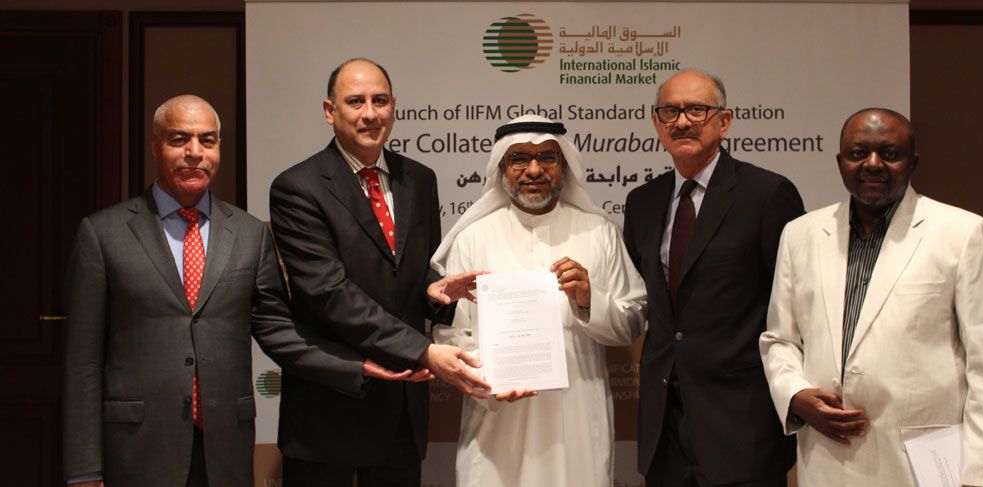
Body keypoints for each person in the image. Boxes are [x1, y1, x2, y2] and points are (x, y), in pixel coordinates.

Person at [63, 95, 375, 487]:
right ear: (156, 146)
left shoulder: (249, 234)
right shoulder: (102, 234)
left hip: (224, 449)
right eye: (179, 139)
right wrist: (84, 470)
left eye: (207, 140)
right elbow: (84, 361)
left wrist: (357, 366)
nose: (195, 152)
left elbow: (279, 332)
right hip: (137, 449)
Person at [760, 108, 983, 486]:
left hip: (924, 465)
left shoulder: (963, 234)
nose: (873, 164)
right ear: (840, 162)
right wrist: (794, 394)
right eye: (858, 153)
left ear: (912, 163)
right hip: (828, 464)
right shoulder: (801, 235)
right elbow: (780, 339)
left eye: (889, 154)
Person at [268, 58, 488, 486]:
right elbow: (329, 293)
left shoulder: (419, 179)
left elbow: (412, 274)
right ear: (330, 111)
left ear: (394, 106)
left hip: (402, 409)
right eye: (356, 101)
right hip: (330, 409)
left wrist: (435, 292)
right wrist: (423, 351)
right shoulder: (297, 188)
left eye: (380, 101)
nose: (370, 113)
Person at [427, 115, 647, 486]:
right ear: (501, 167)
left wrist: (589, 300)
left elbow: (632, 323)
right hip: (496, 427)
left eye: (547, 157)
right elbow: (451, 334)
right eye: (518, 158)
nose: (534, 170)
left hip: (577, 423)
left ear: (565, 165)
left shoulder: (599, 232)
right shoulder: (473, 238)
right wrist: (489, 380)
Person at [622, 70, 803, 486]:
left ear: (724, 122)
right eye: (670, 111)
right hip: (665, 427)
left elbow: (794, 305)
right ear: (656, 123)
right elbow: (644, 297)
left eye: (697, 110)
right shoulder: (642, 202)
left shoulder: (767, 195)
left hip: (741, 424)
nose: (682, 121)